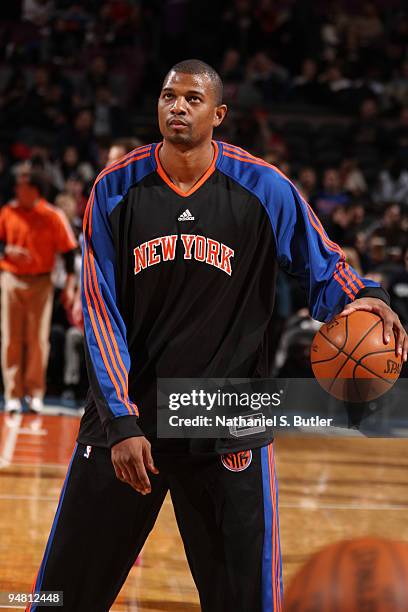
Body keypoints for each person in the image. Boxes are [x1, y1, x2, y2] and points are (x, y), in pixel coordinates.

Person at [27, 59, 407, 612]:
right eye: (167, 96)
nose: (177, 106)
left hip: (227, 418)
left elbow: (322, 267)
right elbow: (100, 310)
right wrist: (121, 420)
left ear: (219, 113)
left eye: (192, 98)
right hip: (135, 418)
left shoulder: (264, 186)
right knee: (61, 598)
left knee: (246, 602)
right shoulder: (114, 189)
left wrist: (363, 297)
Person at [0, 169, 77, 414]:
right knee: (10, 337)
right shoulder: (7, 212)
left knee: (38, 340)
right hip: (11, 278)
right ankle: (13, 393)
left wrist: (69, 285)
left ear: (34, 190)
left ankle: (34, 393)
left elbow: (68, 252)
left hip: (41, 282)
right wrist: (7, 251)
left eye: (21, 186)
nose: (16, 190)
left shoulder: (52, 216)